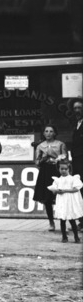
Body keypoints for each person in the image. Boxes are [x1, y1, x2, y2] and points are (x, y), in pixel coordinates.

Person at [33, 124, 67, 232]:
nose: (48, 133)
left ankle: (63, 222)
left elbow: (65, 156)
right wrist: (43, 158)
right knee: (47, 198)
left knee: (61, 197)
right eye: (46, 131)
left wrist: (57, 158)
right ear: (43, 133)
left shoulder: (60, 144)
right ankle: (51, 222)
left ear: (55, 133)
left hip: (57, 170)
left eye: (51, 131)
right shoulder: (40, 146)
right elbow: (37, 162)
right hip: (45, 171)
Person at [47, 159, 82, 243]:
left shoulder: (73, 179)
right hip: (62, 201)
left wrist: (65, 190)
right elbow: (54, 190)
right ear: (59, 169)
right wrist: (56, 191)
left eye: (65, 169)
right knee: (62, 220)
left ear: (69, 169)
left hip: (69, 201)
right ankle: (64, 237)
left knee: (72, 220)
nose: (63, 171)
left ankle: (76, 237)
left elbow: (76, 189)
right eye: (61, 169)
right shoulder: (57, 180)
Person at [71, 99, 83, 230]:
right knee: (80, 190)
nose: (77, 110)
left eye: (79, 108)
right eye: (75, 108)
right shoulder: (76, 124)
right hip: (77, 162)